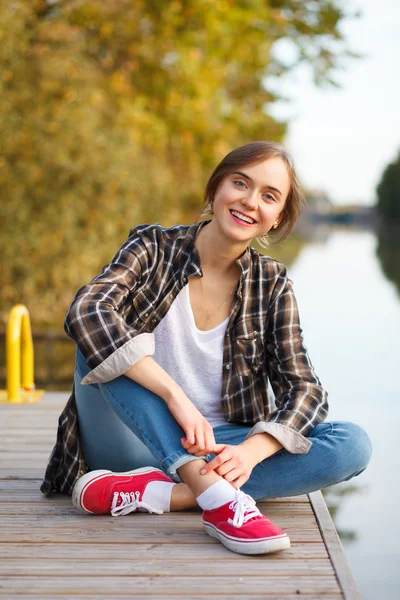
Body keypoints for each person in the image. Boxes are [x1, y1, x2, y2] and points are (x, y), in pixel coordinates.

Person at [41, 141, 372, 556]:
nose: (250, 202)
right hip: (131, 437)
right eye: (240, 183)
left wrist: (251, 453)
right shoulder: (153, 247)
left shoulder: (272, 284)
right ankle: (218, 500)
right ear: (216, 188)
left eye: (269, 197)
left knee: (352, 443)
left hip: (220, 447)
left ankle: (167, 494)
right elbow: (87, 310)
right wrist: (173, 395)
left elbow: (304, 388)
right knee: (99, 341)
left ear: (276, 220)